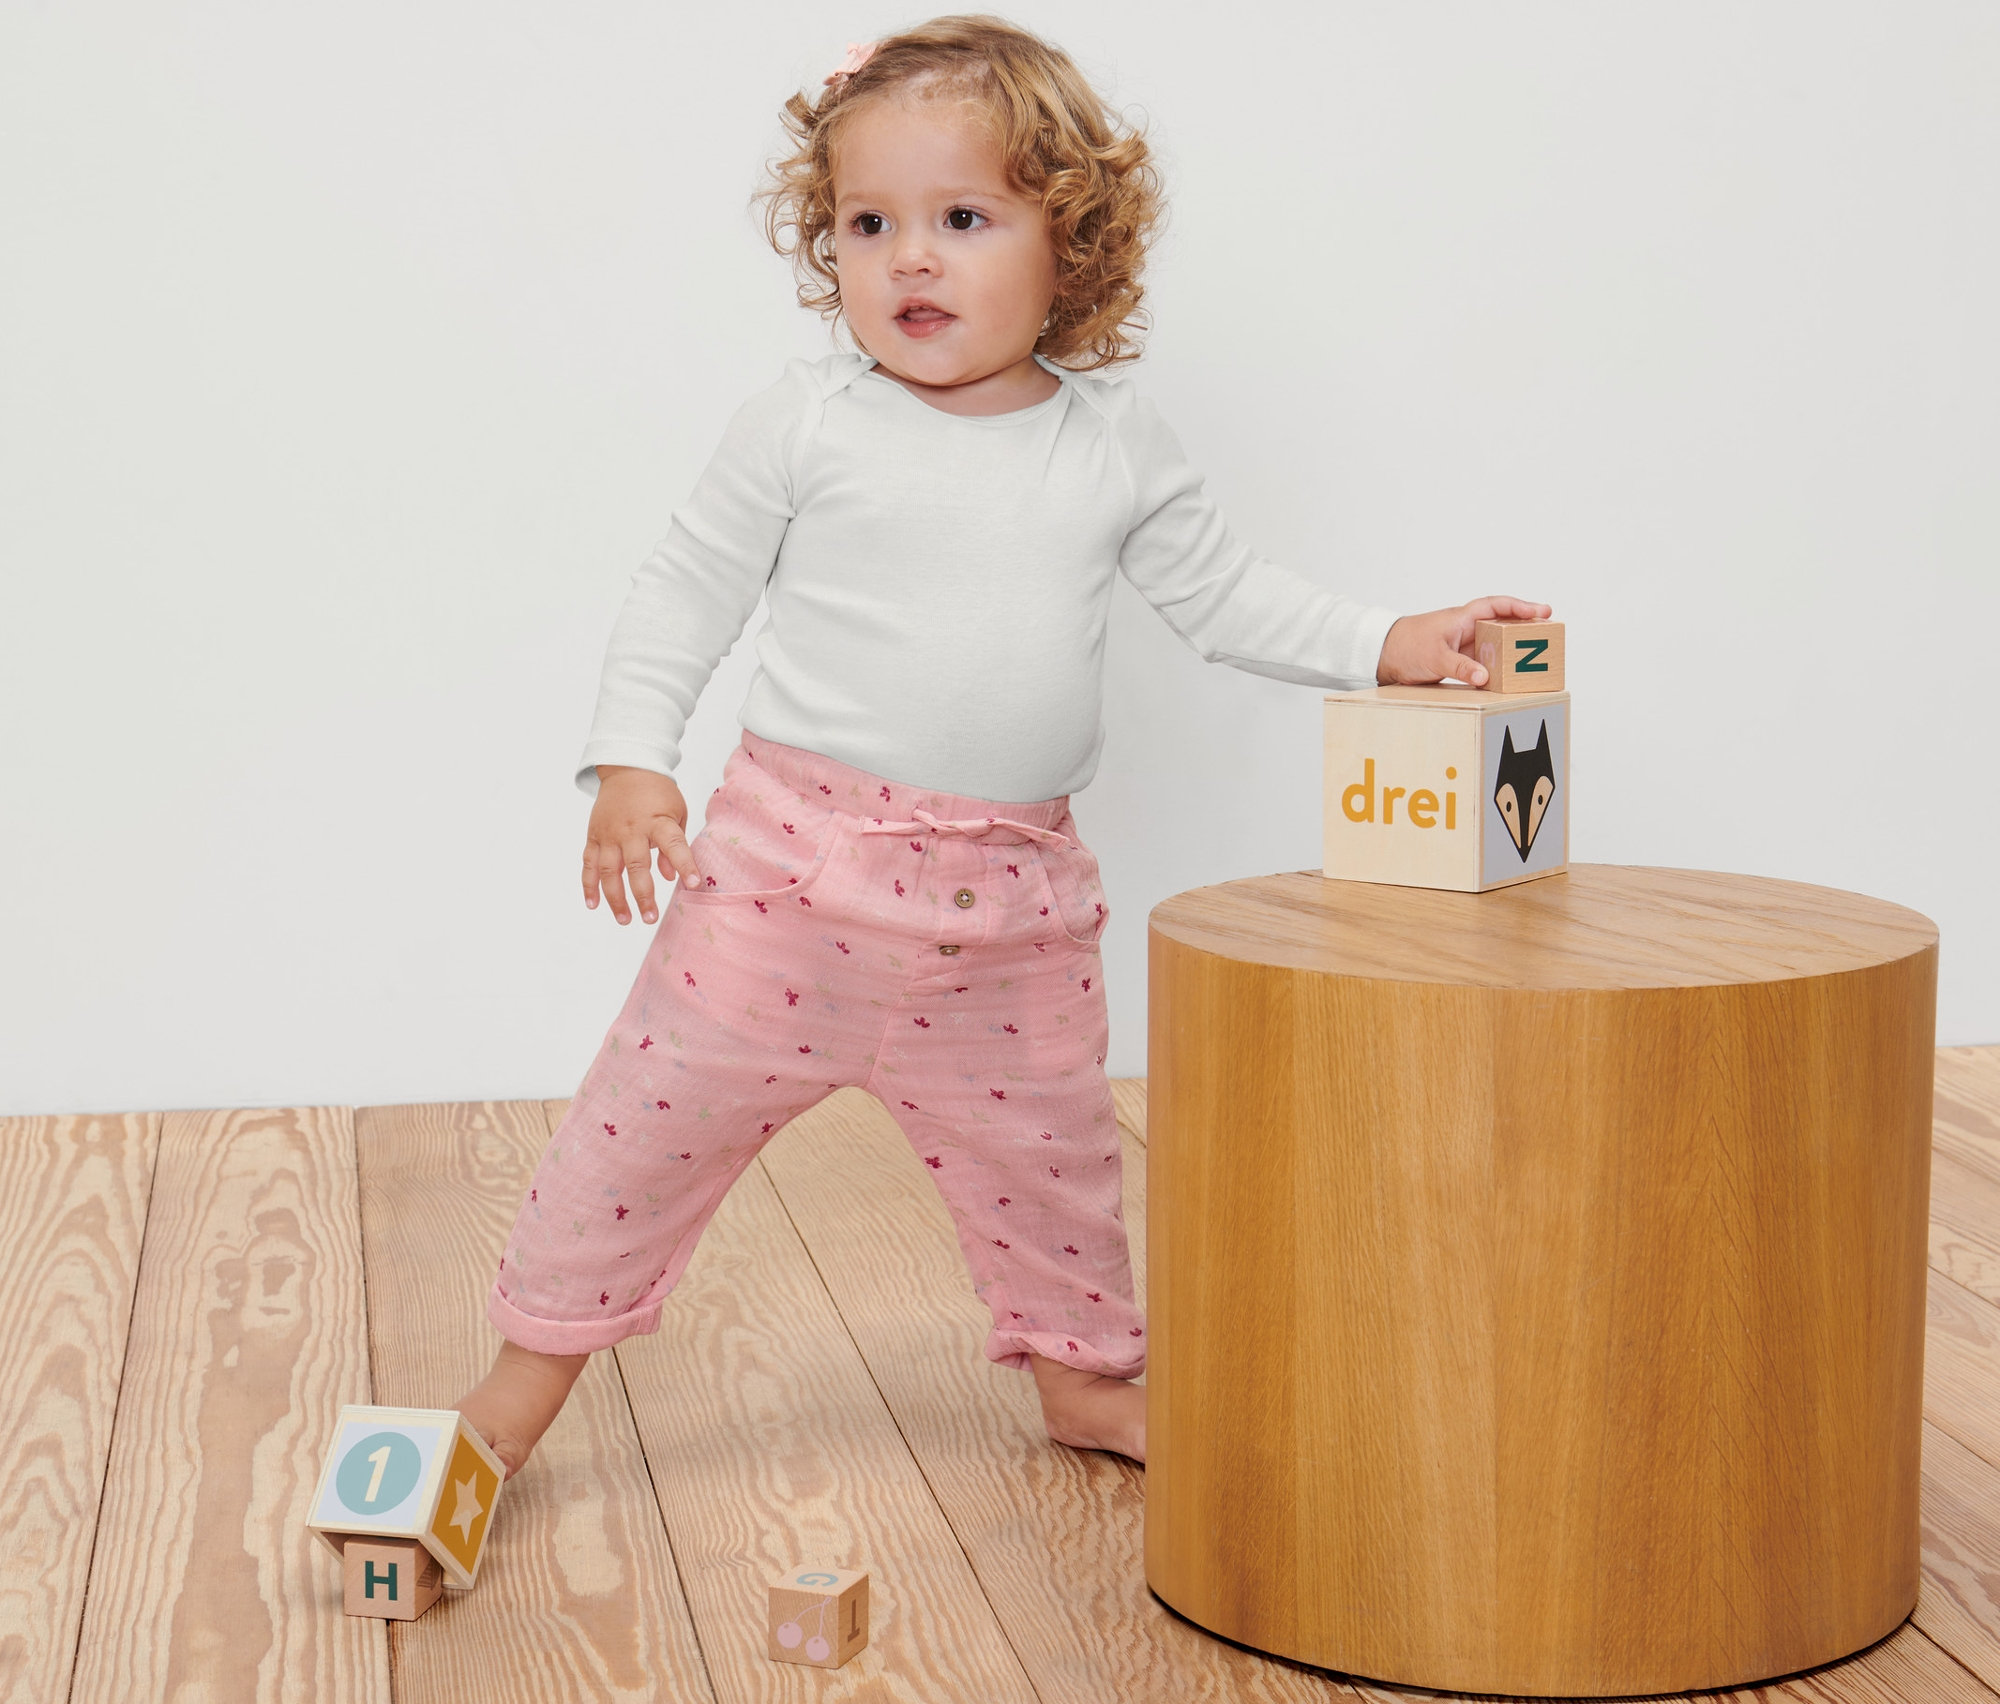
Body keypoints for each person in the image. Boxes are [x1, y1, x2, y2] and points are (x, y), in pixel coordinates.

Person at [456, 14, 1549, 1477]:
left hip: (1009, 919)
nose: (909, 256)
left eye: (961, 218)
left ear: (1070, 243)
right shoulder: (804, 424)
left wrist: (1387, 641)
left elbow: (1226, 598)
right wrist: (632, 759)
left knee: (1058, 1173)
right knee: (634, 1140)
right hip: (781, 893)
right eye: (867, 223)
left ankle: (1088, 1384)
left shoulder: (1112, 445)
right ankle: (510, 1398)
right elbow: (682, 589)